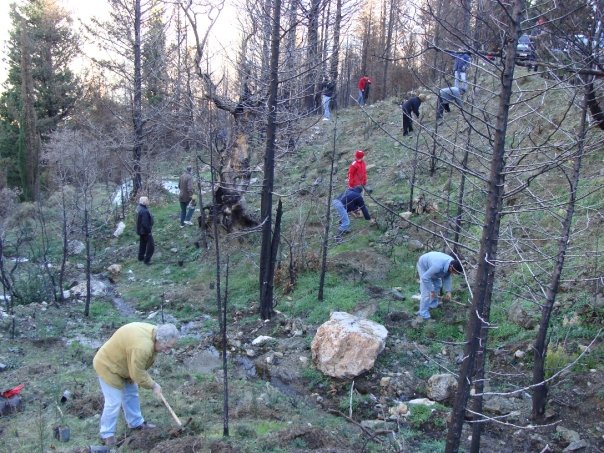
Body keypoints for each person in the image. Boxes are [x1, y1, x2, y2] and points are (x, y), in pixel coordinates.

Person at [93, 322, 179, 446]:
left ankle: (136, 423)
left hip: (125, 363)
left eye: (171, 347)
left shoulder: (155, 334)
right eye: (167, 347)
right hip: (108, 365)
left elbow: (136, 370)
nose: (168, 351)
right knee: (114, 401)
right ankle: (107, 435)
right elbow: (137, 374)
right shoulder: (142, 347)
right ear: (160, 340)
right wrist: (153, 385)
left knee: (131, 393)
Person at [416, 251, 463, 321]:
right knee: (426, 292)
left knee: (438, 285)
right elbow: (425, 278)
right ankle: (423, 314)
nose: (455, 274)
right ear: (451, 268)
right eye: (455, 272)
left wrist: (448, 291)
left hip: (432, 266)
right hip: (424, 265)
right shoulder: (437, 266)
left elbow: (447, 277)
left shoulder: (451, 263)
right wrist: (431, 291)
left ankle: (432, 305)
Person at [136, 196, 154, 265]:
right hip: (145, 231)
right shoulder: (144, 211)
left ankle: (140, 257)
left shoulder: (138, 208)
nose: (148, 201)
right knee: (151, 246)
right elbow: (145, 223)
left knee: (142, 244)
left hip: (140, 231)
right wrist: (149, 231)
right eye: (147, 200)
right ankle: (147, 260)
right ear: (144, 202)